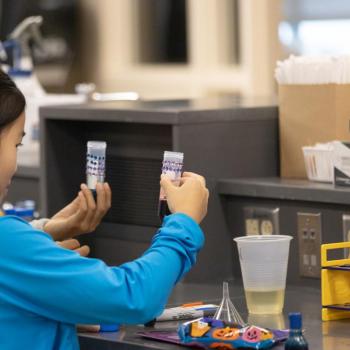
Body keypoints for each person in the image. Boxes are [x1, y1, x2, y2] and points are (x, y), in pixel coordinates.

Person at [0, 69, 209, 350]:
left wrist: (43, 235)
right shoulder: (9, 244)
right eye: (16, 143)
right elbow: (133, 297)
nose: (16, 157)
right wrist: (184, 221)